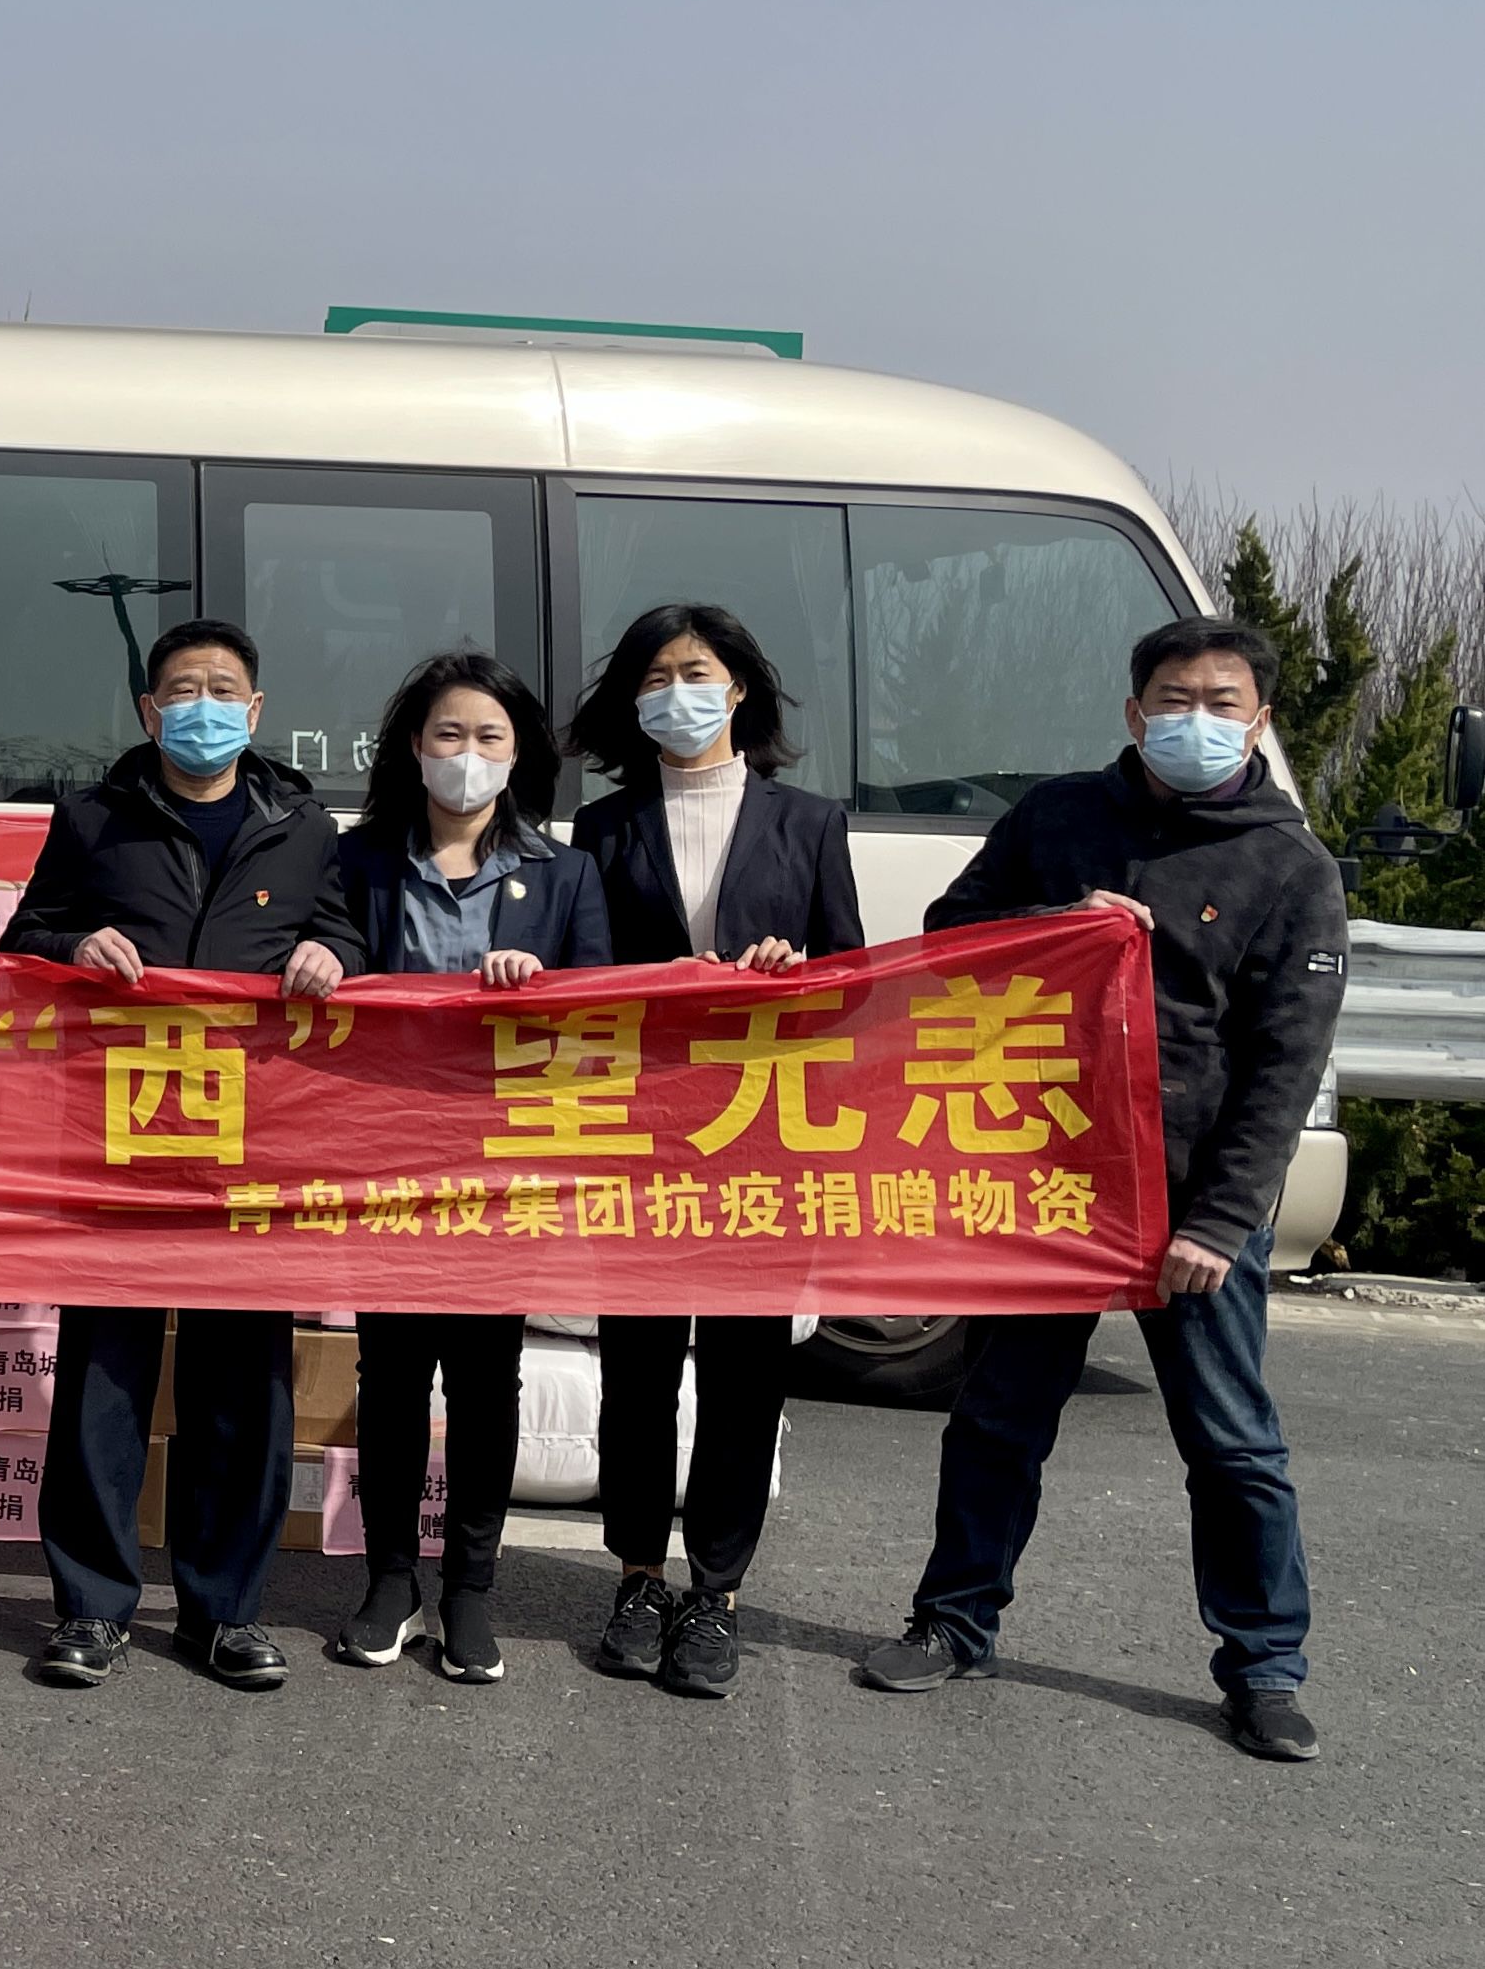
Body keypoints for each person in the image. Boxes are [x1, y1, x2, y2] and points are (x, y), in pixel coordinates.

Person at [857, 616, 1347, 1764]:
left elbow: (1284, 1067)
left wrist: (1222, 1219)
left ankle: (1264, 1668)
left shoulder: (1291, 867)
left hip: (1193, 1207)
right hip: (1052, 1182)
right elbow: (951, 934)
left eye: (1222, 703)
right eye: (1174, 700)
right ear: (1134, 711)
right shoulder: (1060, 817)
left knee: (1232, 1443)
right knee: (998, 1418)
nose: (1196, 721)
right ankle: (954, 1619)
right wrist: (1055, 925)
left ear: (1260, 720)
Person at [0, 619, 358, 1691]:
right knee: (103, 1381)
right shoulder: (94, 816)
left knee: (242, 1389)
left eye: (224, 689)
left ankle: (225, 1611)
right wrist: (73, 944)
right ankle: (90, 1607)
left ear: (256, 710)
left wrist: (329, 950)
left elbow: (352, 937)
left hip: (254, 1143)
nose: (204, 706)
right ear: (151, 711)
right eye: (183, 690)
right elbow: (24, 937)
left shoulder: (303, 826)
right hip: (120, 1136)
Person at [563, 602, 865, 1700]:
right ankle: (639, 1578)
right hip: (642, 1135)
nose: (675, 693)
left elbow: (852, 984)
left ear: (738, 687)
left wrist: (799, 973)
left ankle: (717, 1591)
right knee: (638, 1370)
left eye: (695, 672)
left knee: (745, 1371)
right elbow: (584, 980)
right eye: (655, 677)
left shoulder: (810, 822)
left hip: (760, 1136)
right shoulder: (604, 828)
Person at [322, 652, 609, 1686]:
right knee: (392, 1374)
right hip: (390, 1155)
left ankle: (471, 1588)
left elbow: (602, 1012)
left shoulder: (564, 874)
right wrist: (324, 959)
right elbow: (323, 948)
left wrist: (545, 987)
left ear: (517, 754)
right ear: (414, 746)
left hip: (505, 1164)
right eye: (449, 733)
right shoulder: (359, 860)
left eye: (490, 736)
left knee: (488, 1378)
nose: (468, 754)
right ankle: (390, 1579)